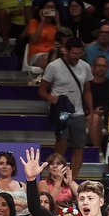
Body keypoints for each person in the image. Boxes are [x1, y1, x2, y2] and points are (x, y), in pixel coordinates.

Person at [38, 38, 92, 177]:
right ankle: (55, 175)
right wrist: (52, 98)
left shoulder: (85, 66)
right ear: (66, 51)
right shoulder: (54, 66)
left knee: (79, 146)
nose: (76, 56)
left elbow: (87, 91)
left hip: (78, 111)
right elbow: (42, 90)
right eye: (73, 53)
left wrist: (90, 110)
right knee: (62, 140)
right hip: (62, 111)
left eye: (79, 53)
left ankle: (72, 179)